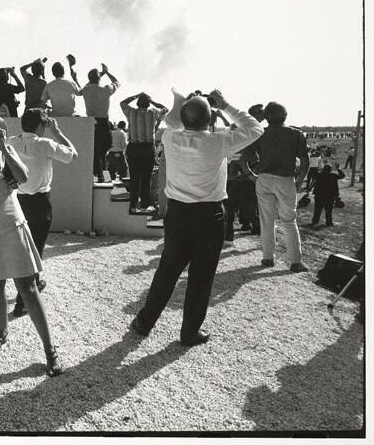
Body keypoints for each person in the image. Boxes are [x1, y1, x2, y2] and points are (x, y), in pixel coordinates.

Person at [130, 89, 263, 346]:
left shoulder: (170, 137)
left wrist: (186, 103)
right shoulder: (219, 142)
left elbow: (172, 122)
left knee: (167, 271)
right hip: (208, 215)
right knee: (201, 277)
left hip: (177, 214)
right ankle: (189, 332)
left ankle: (144, 322)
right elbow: (256, 128)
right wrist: (224, 104)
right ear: (210, 119)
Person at [0, 111, 62, 377]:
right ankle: (2, 332)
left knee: (27, 287)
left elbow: (24, 177)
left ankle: (50, 349)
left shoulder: (5, 151)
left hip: (10, 222)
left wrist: (4, 146)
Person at [8, 108, 77, 317]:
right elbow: (72, 154)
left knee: (24, 249)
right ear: (41, 126)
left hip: (17, 201)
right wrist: (57, 132)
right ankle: (22, 303)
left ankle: (35, 281)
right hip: (40, 203)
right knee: (34, 251)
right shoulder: (46, 144)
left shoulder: (12, 142)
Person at [241, 101, 310, 272]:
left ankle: (268, 257)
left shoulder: (260, 134)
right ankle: (295, 261)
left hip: (264, 179)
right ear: (285, 116)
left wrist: (252, 176)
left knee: (266, 221)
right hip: (286, 179)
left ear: (266, 117)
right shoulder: (296, 134)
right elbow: (305, 161)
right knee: (289, 221)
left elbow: (243, 160)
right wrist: (300, 181)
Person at [120, 92, 168, 214]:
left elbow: (122, 103)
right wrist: (152, 101)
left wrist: (135, 96)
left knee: (134, 177)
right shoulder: (153, 113)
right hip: (147, 148)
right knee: (146, 178)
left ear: (137, 103)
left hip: (134, 147)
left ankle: (133, 204)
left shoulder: (131, 112)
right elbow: (165, 109)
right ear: (148, 104)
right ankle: (145, 204)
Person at [82, 63, 121, 182]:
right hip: (103, 122)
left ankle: (98, 171)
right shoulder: (105, 90)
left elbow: (89, 83)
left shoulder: (86, 90)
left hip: (91, 122)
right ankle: (99, 172)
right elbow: (117, 82)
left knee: (96, 150)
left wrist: (100, 74)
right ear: (99, 78)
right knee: (105, 146)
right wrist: (107, 72)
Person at [309, 163, 345, 227]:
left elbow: (313, 174)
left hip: (319, 195)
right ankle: (329, 223)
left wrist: (319, 169)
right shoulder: (333, 175)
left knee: (317, 210)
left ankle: (315, 221)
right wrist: (338, 169)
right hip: (330, 196)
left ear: (324, 169)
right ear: (330, 170)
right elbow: (342, 175)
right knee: (328, 210)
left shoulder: (319, 175)